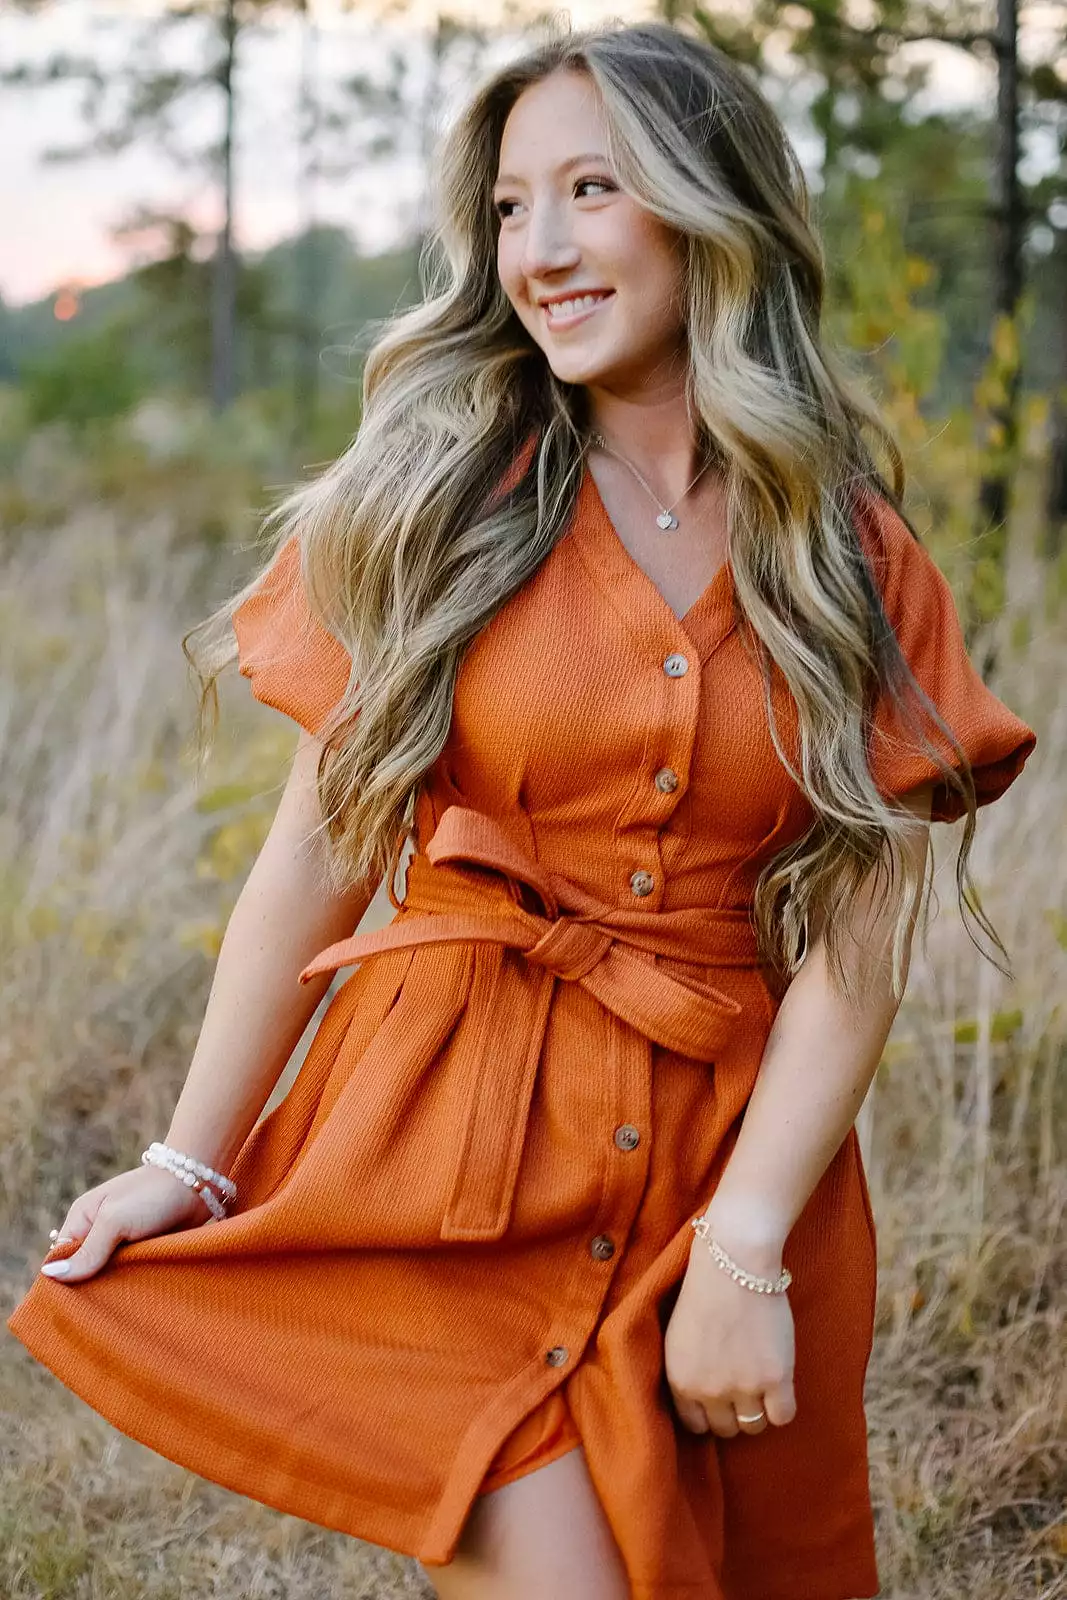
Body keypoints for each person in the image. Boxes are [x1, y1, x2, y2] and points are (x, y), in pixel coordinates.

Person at [7, 20, 1037, 1600]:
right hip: (445, 1152)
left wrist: (745, 1251)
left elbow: (854, 947)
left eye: (588, 192)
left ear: (712, 212)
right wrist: (192, 1162)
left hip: (721, 1176)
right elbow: (314, 856)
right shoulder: (432, 504)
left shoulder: (850, 554)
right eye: (505, 208)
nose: (536, 250)